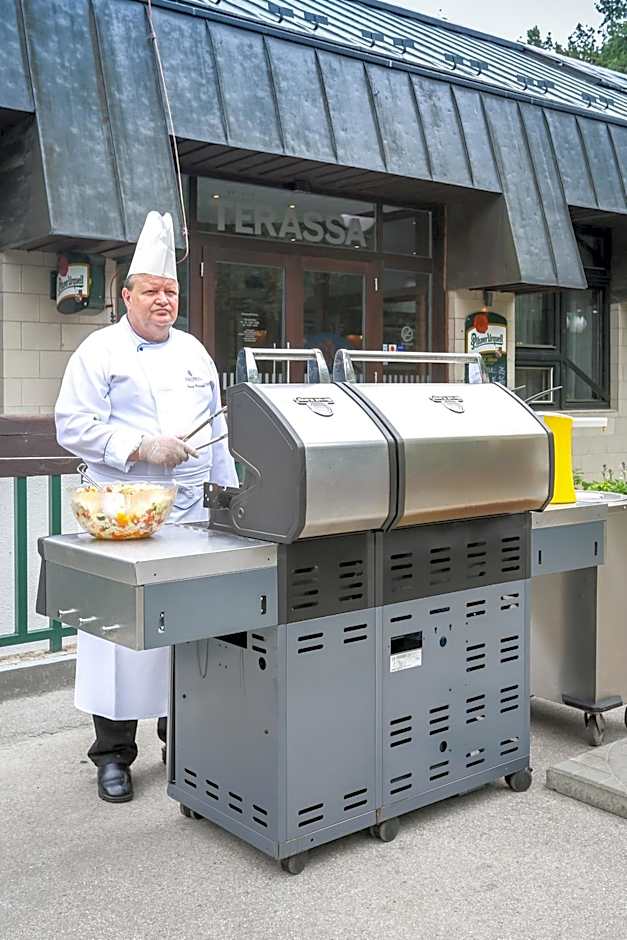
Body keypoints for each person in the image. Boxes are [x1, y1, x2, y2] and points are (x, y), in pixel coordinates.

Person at [55, 211, 238, 803]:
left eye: (171, 292)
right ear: (126, 295)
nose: (164, 301)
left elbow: (217, 429)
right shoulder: (99, 350)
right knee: (118, 637)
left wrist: (227, 495)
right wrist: (139, 446)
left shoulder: (194, 352)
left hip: (188, 514)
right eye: (152, 291)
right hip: (122, 516)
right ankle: (112, 754)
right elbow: (71, 425)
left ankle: (178, 738)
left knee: (185, 630)